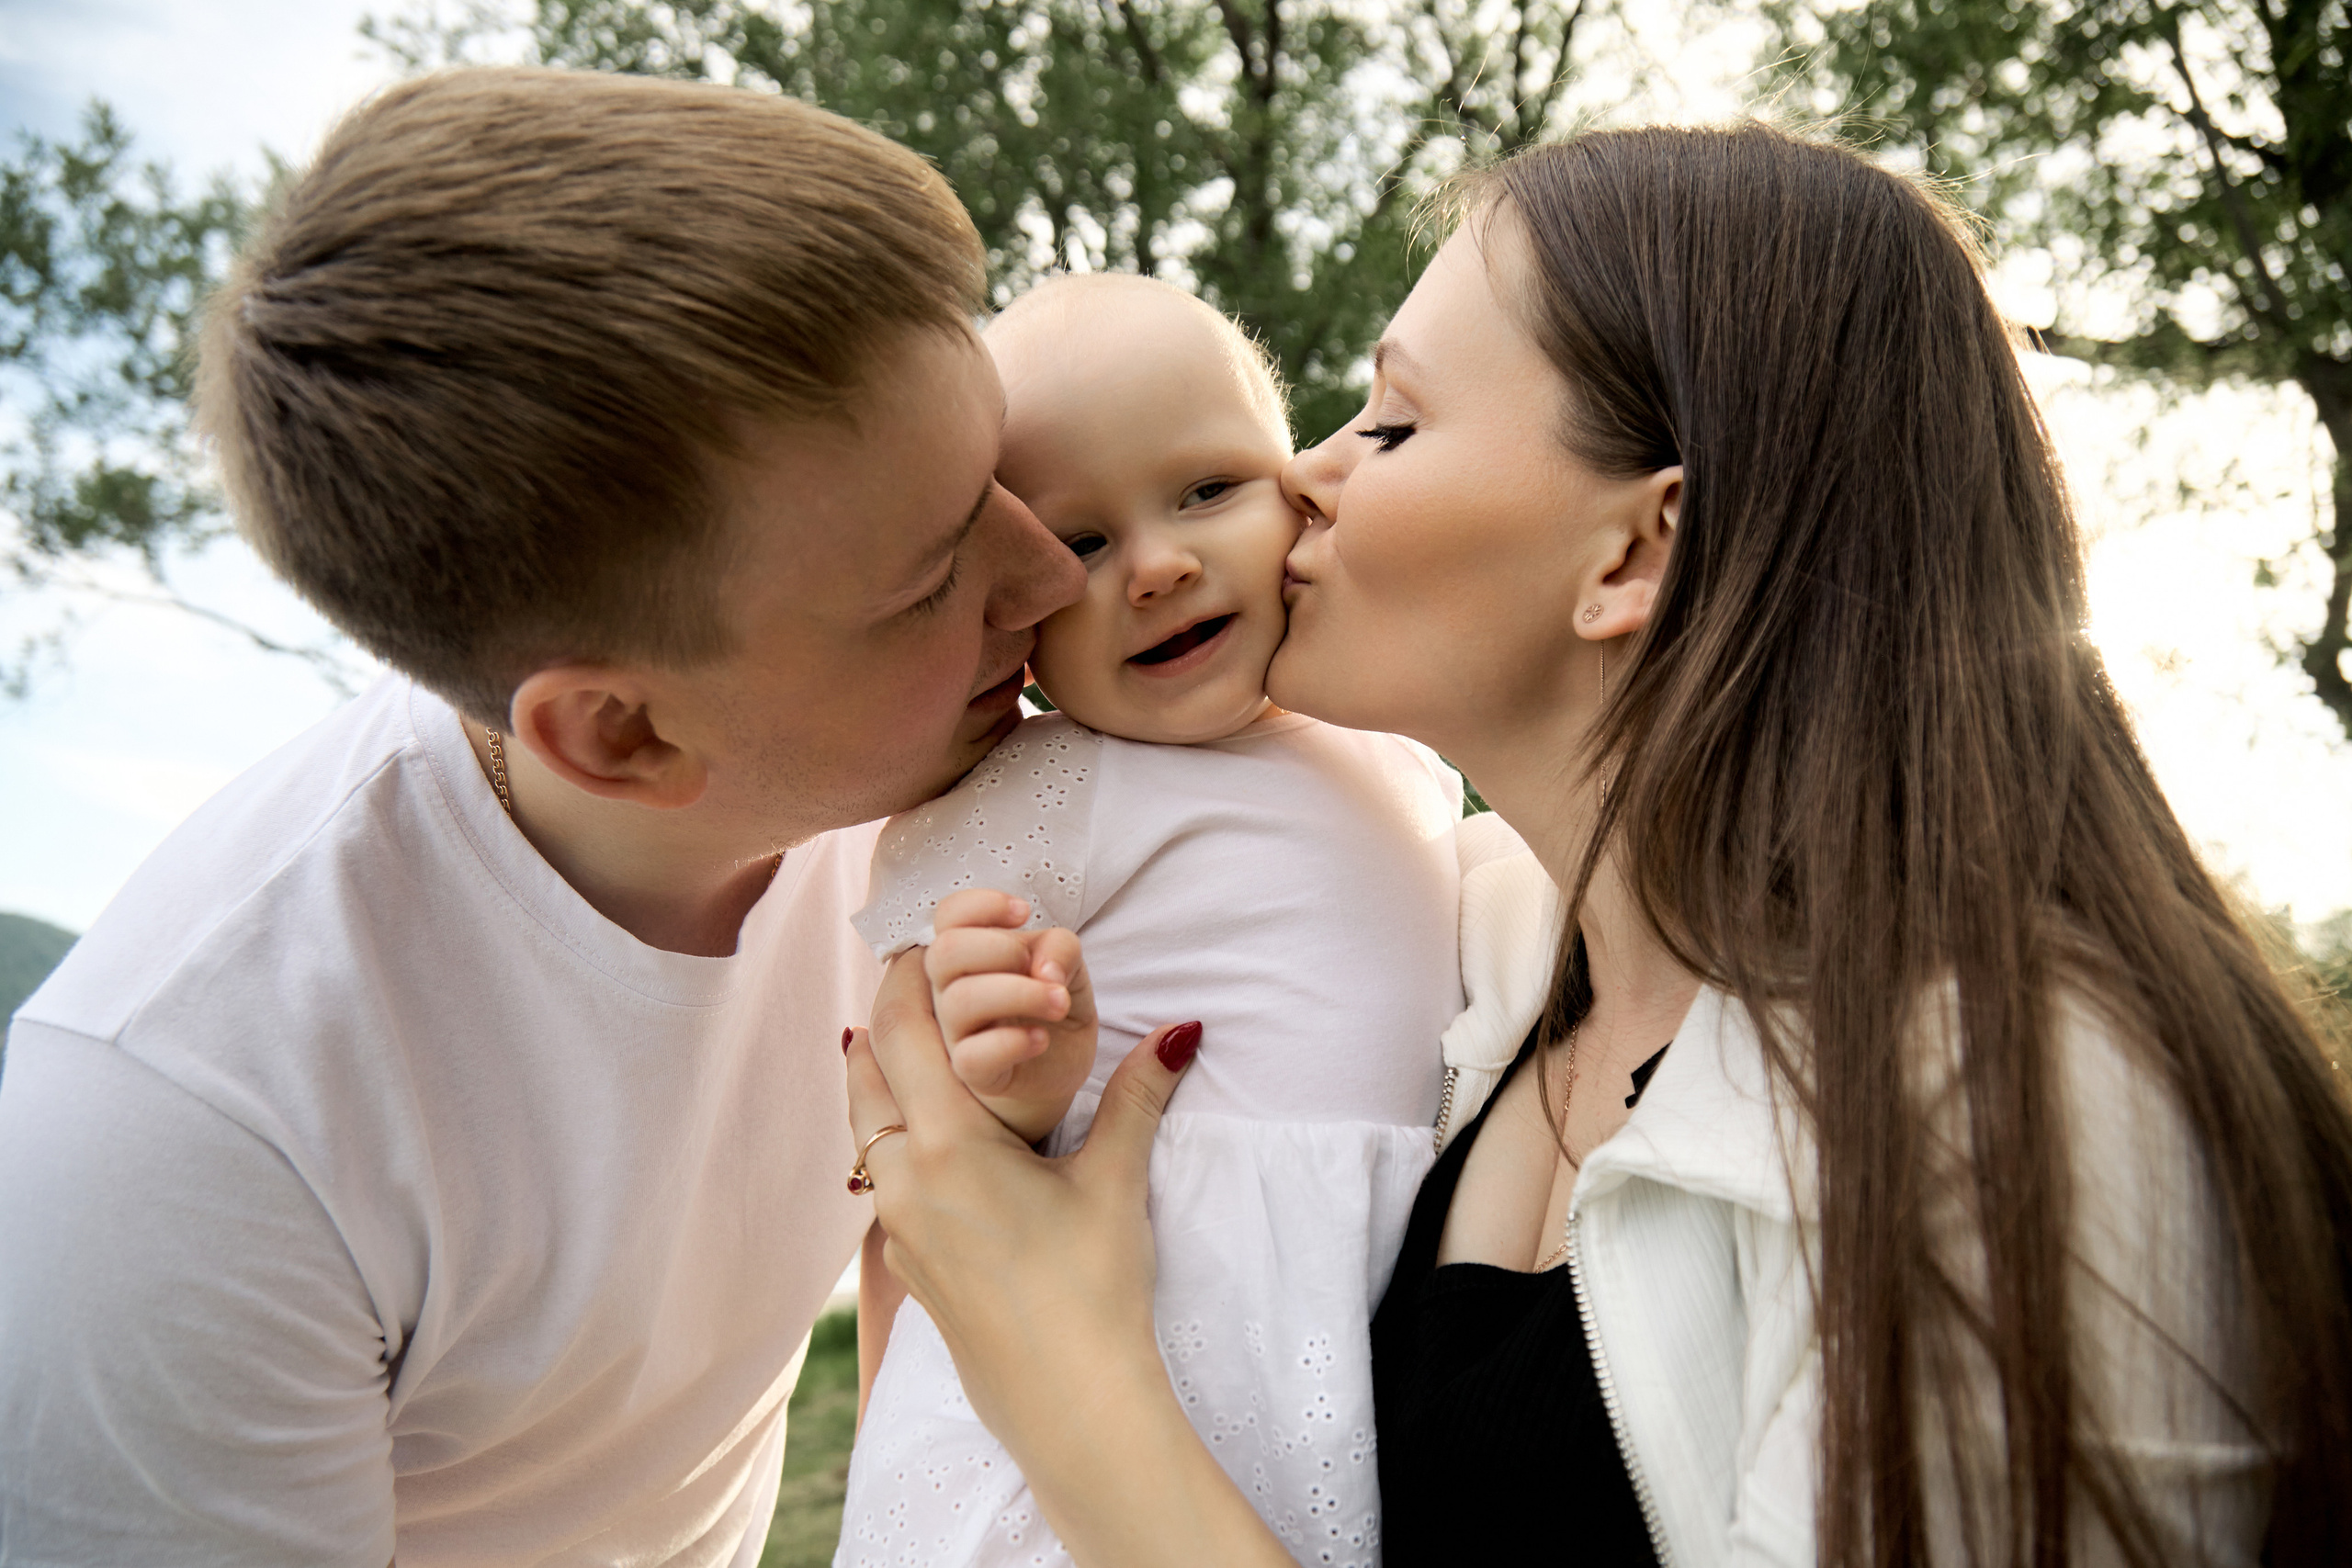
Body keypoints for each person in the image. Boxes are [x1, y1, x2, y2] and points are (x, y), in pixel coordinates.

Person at [843, 122, 2352, 1566]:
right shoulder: (1481, 971)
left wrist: (1070, 1386)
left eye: (1394, 418)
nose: (1305, 475)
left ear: (1631, 553)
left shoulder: (2008, 1104)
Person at [0, 67, 1086, 1567]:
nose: (1053, 579)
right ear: (623, 735)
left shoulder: (929, 781)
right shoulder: (181, 1141)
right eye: (930, 583)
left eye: (1000, 475)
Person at [831, 274, 1550, 1568]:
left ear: (1298, 489)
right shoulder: (1050, 788)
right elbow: (920, 1124)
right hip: (1136, 1328)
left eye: (1207, 490)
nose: (1157, 566)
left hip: (1345, 1321)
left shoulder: (1399, 755)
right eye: (1083, 546)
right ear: (1017, 612)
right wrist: (1015, 1076)